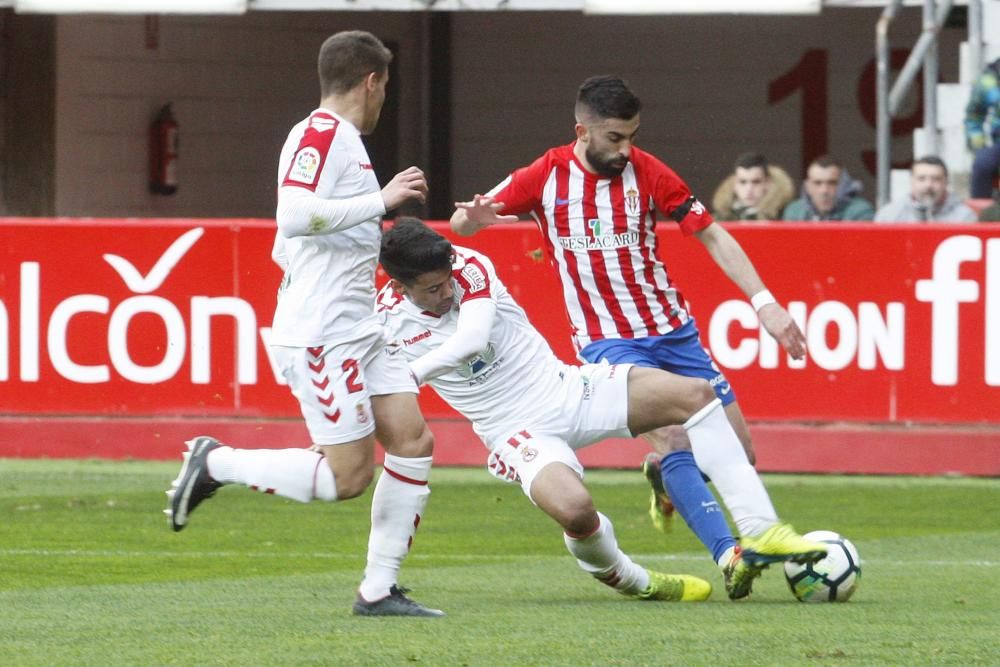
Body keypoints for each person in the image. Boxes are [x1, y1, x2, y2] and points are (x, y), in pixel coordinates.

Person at [449, 75, 826, 599]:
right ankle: (731, 554)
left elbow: (711, 234)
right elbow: (462, 224)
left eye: (632, 136)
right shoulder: (543, 176)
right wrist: (473, 220)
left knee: (739, 451)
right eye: (614, 139)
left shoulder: (647, 172)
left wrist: (765, 304)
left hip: (674, 331)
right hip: (607, 341)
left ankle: (665, 476)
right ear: (581, 131)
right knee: (674, 433)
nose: (626, 149)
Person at [379, 219, 821, 601]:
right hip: (513, 431)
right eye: (434, 289)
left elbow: (472, 339)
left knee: (697, 394)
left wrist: (411, 375)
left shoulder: (468, 266)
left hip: (565, 388)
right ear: (399, 288)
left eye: (447, 280)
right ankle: (636, 581)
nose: (447, 291)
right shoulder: (385, 322)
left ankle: (759, 529)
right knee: (575, 511)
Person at [164, 31, 442, 618]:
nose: (384, 97)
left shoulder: (340, 141)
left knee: (414, 440)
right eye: (385, 86)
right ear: (371, 81)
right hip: (323, 336)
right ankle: (214, 461)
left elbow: (289, 242)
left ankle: (378, 590)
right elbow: (292, 216)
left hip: (358, 327)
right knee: (348, 478)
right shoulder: (321, 134)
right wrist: (383, 201)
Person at [874, 156, 977, 223]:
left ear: (946, 182)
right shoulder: (889, 215)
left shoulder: (964, 217)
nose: (928, 185)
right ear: (912, 181)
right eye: (921, 179)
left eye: (936, 179)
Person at [782, 155, 875, 221]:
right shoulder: (795, 211)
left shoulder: (861, 212)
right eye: (817, 183)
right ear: (807, 187)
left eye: (832, 183)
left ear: (844, 185)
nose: (824, 190)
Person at [711, 152, 794, 221]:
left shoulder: (786, 216)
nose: (749, 189)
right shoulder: (720, 219)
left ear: (768, 183)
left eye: (756, 182)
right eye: (743, 182)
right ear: (734, 184)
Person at [965, 56, 1000, 199]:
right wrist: (978, 146)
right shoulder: (987, 82)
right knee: (982, 163)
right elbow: (974, 116)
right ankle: (981, 214)